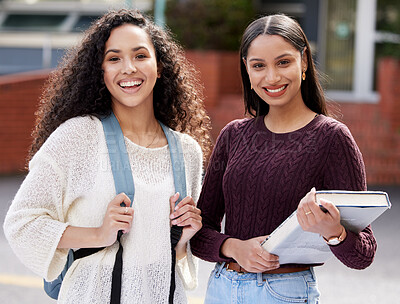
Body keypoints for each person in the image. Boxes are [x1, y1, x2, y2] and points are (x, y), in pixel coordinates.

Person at [3, 9, 212, 304]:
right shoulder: (78, 136)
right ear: (100, 71)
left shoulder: (186, 150)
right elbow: (22, 223)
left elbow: (175, 259)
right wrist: (98, 235)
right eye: (114, 58)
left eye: (140, 55)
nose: (128, 68)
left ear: (160, 66)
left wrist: (184, 237)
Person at [190, 14, 377, 304]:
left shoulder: (332, 138)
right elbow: (200, 231)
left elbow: (363, 254)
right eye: (258, 66)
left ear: (304, 61)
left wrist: (334, 232)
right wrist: (233, 247)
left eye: (283, 62)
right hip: (221, 289)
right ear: (247, 70)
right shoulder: (233, 136)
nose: (272, 77)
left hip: (284, 293)